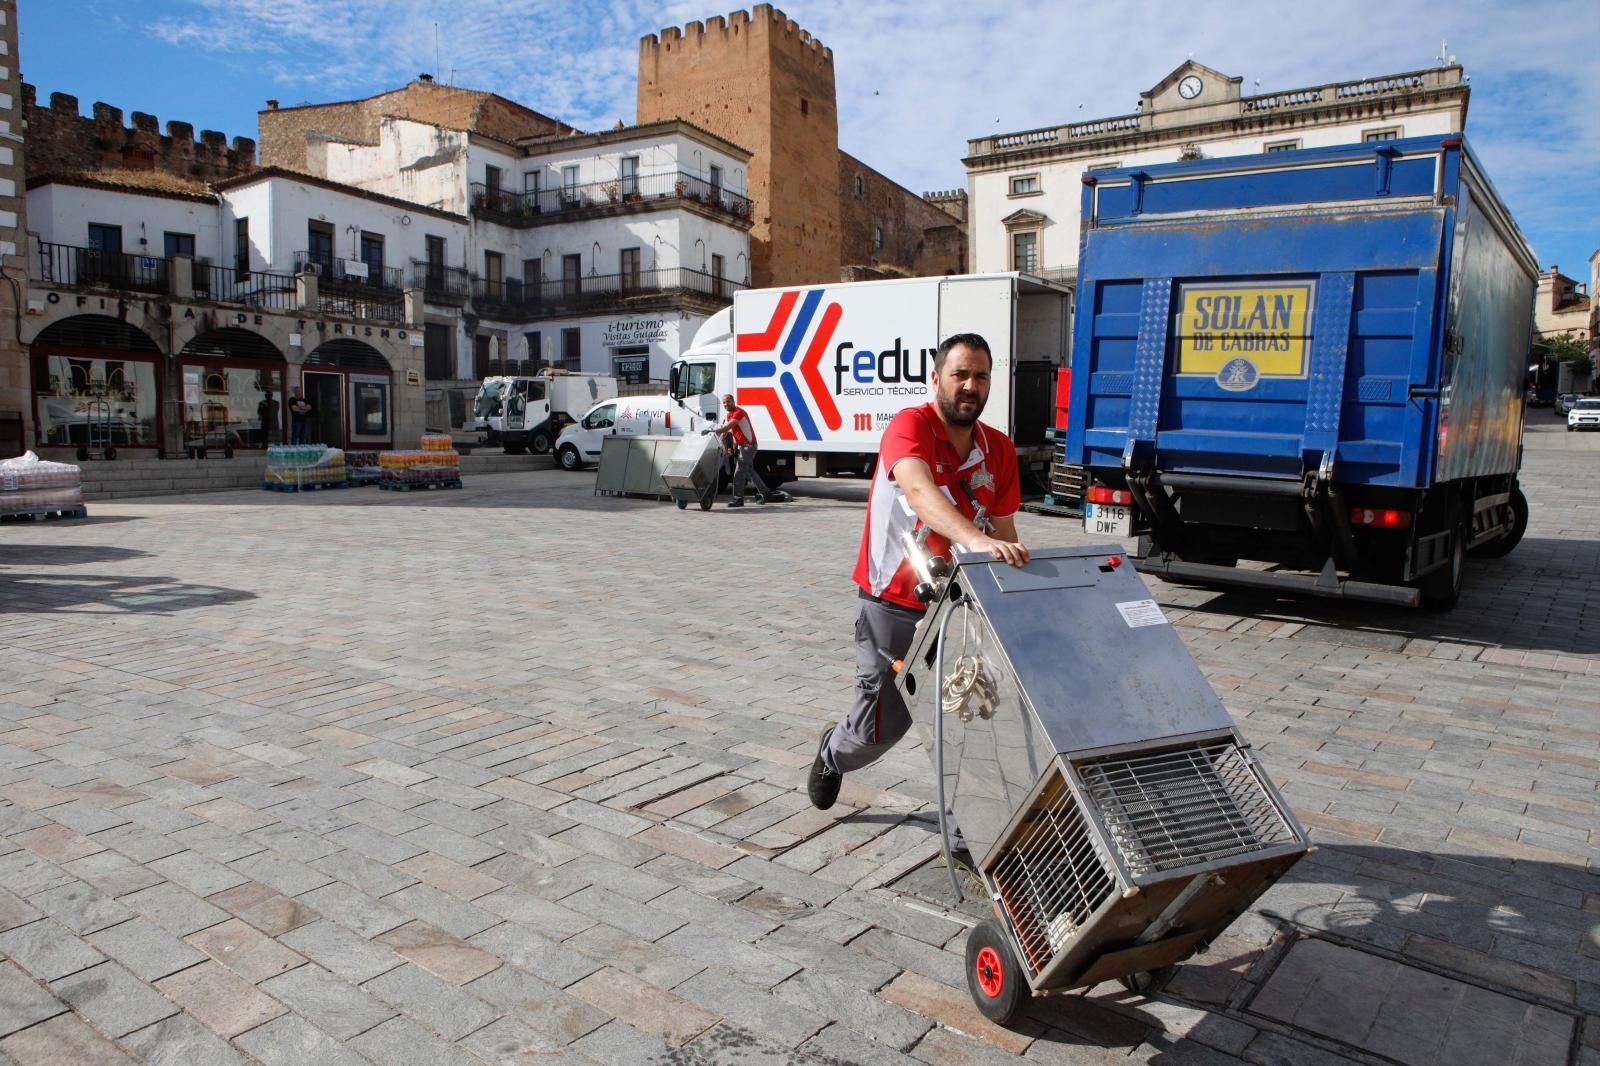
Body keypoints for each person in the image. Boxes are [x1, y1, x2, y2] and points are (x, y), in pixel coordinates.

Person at [807, 333, 1030, 853]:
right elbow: (918, 492)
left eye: (980, 376)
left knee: (973, 720)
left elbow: (1006, 528)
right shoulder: (910, 428)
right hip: (894, 608)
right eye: (960, 374)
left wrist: (1015, 581)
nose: (970, 386)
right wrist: (974, 540)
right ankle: (834, 752)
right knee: (878, 732)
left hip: (963, 607)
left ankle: (967, 839)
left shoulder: (998, 449)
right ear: (937, 379)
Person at [705, 392, 785, 507]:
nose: (726, 404)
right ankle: (766, 493)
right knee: (750, 471)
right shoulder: (729, 415)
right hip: (742, 446)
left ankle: (738, 499)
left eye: (728, 401)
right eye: (724, 402)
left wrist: (712, 430)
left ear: (733, 402)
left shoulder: (739, 413)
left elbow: (727, 427)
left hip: (749, 446)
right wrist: (734, 446)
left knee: (739, 471)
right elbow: (732, 432)